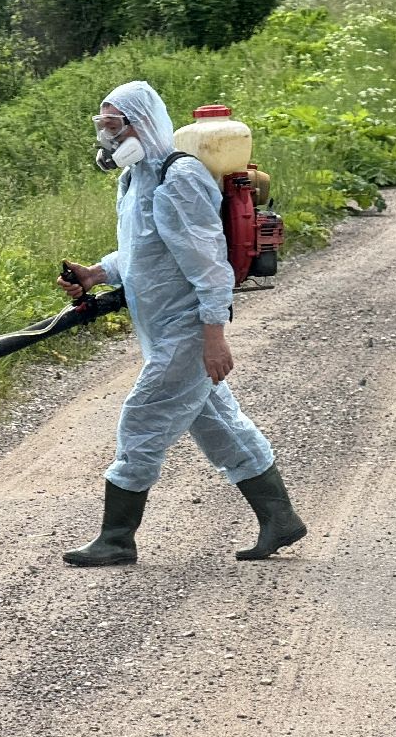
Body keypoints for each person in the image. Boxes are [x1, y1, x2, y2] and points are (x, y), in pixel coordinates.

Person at [57, 80, 305, 567]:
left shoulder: (180, 176)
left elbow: (209, 263)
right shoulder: (135, 179)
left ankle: (116, 538)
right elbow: (142, 249)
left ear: (140, 123)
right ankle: (280, 519)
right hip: (160, 327)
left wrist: (214, 335)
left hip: (187, 329)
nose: (106, 137)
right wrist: (96, 273)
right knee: (219, 427)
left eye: (113, 125)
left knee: (142, 419)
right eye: (102, 125)